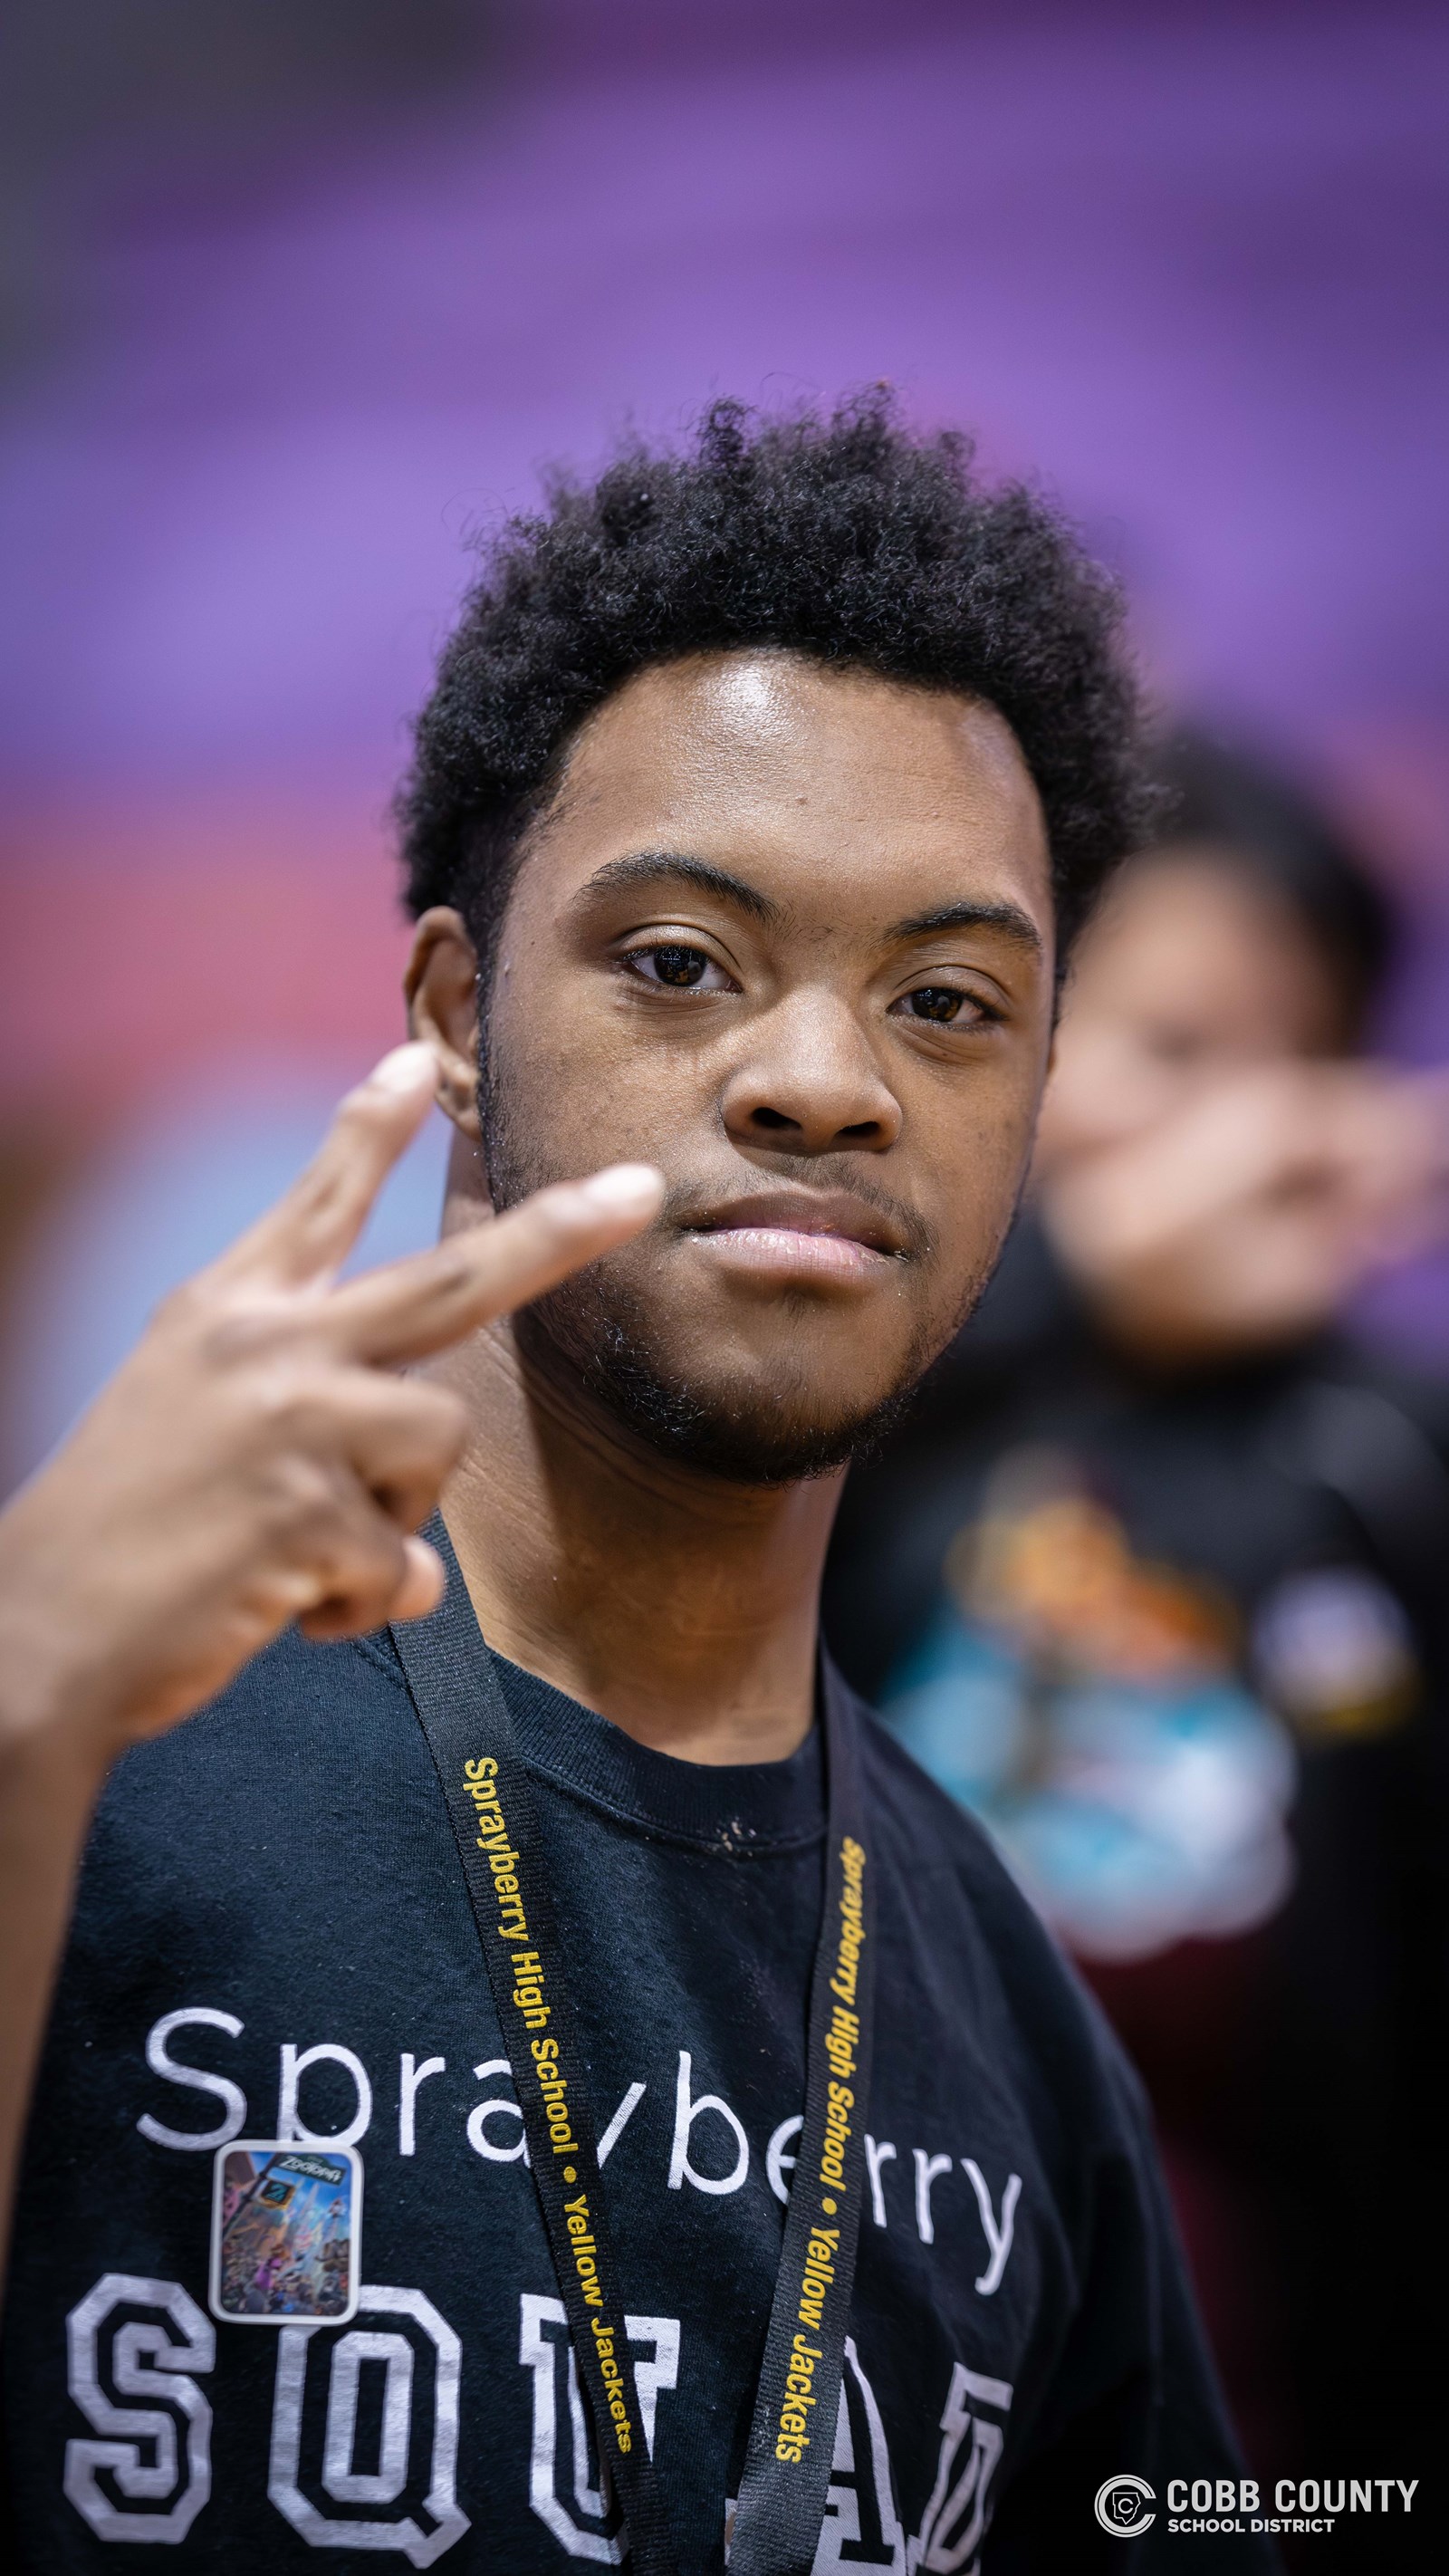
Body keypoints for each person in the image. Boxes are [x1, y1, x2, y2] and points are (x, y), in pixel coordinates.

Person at [0, 399, 1276, 2572]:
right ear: (452, 1011)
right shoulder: (89, 1742)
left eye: (947, 1000)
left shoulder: (1004, 2010)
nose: (824, 1081)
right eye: (680, 964)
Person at [823, 733, 1449, 2564]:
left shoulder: (1381, 1450)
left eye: (1303, 1062)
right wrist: (1082, 1274)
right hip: (852, 2402)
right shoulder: (851, 1395)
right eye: (1174, 1051)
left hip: (1278, 2441)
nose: (1250, 1133)